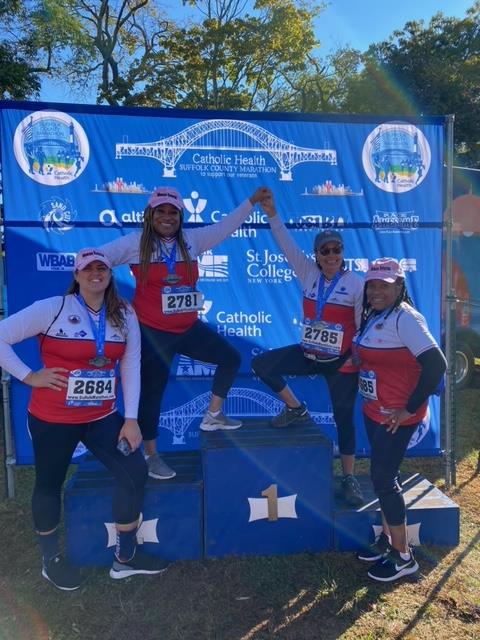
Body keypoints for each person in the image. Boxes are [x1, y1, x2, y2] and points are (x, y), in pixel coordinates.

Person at [0, 248, 169, 590]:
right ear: (76, 275)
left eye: (102, 268)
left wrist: (132, 418)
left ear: (109, 275)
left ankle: (125, 558)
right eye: (88, 268)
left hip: (101, 416)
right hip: (52, 418)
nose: (96, 274)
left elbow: (130, 365)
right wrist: (28, 375)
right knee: (49, 485)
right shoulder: (52, 308)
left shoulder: (123, 313)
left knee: (134, 471)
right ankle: (50, 561)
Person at [99, 186, 272, 480]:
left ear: (180, 216)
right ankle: (150, 455)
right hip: (153, 334)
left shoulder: (191, 241)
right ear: (150, 215)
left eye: (173, 212)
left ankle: (213, 415)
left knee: (230, 358)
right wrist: (108, 301)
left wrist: (251, 201)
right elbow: (95, 262)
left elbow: (225, 227)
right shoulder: (135, 243)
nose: (167, 217)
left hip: (188, 327)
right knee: (152, 396)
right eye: (161, 211)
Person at [252, 192, 365, 507]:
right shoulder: (308, 273)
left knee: (344, 420)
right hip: (309, 353)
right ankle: (296, 408)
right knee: (263, 365)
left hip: (340, 362)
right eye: (325, 250)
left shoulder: (355, 284)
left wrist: (352, 356)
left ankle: (349, 477)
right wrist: (272, 214)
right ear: (316, 255)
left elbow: (361, 327)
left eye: (336, 250)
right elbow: (285, 243)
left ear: (342, 253)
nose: (331, 255)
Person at [354, 257, 446, 582]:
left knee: (382, 478)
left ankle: (403, 556)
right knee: (381, 476)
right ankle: (389, 538)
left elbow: (436, 365)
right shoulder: (374, 315)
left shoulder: (406, 318)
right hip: (374, 411)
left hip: (397, 417)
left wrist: (409, 408)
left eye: (385, 285)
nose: (377, 290)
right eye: (372, 285)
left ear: (399, 287)